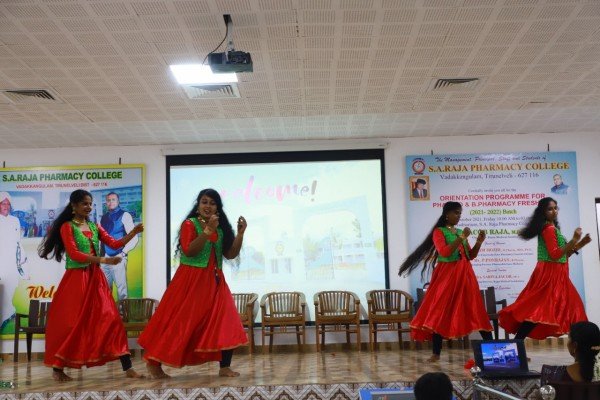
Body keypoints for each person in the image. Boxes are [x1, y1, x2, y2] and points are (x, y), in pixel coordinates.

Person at [138, 188, 248, 379]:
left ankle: (224, 367)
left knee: (227, 320)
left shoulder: (219, 228)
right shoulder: (189, 224)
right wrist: (207, 230)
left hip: (216, 282)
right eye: (204, 202)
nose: (208, 206)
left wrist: (240, 234)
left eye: (212, 203)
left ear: (218, 207)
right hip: (191, 281)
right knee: (181, 324)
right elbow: (189, 251)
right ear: (198, 205)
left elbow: (230, 254)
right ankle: (154, 362)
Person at [38, 189, 144, 381]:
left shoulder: (94, 226)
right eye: (84, 203)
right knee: (73, 324)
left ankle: (128, 367)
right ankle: (57, 369)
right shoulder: (68, 227)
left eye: (90, 204)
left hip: (96, 280)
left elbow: (115, 243)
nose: (88, 207)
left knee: (113, 320)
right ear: (74, 205)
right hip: (76, 281)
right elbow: (75, 254)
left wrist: (133, 232)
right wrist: (103, 260)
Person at [399, 201, 492, 362]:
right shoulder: (439, 232)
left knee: (475, 308)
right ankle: (436, 353)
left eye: (460, 213)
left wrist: (479, 242)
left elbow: (470, 256)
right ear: (446, 214)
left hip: (465, 275)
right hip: (447, 276)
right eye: (456, 213)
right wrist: (461, 238)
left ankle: (493, 348)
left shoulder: (460, 232)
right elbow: (444, 252)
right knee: (440, 310)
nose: (458, 216)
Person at [498, 197, 591, 340]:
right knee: (540, 310)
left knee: (565, 308)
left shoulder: (553, 229)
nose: (554, 211)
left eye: (555, 208)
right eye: (550, 209)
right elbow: (555, 255)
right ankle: (517, 342)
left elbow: (564, 255)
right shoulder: (548, 229)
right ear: (543, 212)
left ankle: (581, 344)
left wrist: (581, 243)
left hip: (558, 274)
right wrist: (573, 240)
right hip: (550, 275)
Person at [100, 192, 138, 301]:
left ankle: (124, 312)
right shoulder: (103, 218)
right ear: (106, 202)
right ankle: (107, 311)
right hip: (104, 258)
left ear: (118, 201)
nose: (110, 202)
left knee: (122, 290)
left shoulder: (125, 215)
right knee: (105, 290)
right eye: (108, 200)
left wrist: (123, 253)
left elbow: (134, 237)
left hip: (118, 256)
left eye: (113, 199)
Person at [0, 191, 28, 330]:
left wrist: (22, 258)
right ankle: (6, 315)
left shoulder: (15, 220)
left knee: (11, 287)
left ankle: (8, 313)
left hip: (12, 260)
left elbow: (18, 241)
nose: (6, 206)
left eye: (8, 204)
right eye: (3, 204)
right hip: (1, 260)